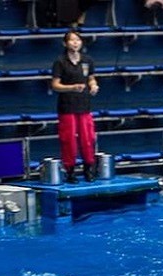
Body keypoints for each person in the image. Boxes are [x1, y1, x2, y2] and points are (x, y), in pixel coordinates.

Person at [51, 30, 99, 184]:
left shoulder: (87, 60)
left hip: (84, 105)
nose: (75, 43)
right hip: (67, 106)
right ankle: (70, 170)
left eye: (77, 40)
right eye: (71, 40)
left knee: (88, 139)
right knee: (69, 139)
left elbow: (91, 78)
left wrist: (93, 85)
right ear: (65, 43)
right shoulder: (60, 61)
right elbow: (55, 85)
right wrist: (71, 88)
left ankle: (88, 169)